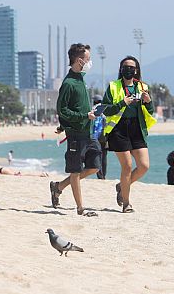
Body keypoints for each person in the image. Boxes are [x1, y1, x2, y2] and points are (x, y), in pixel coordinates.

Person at [49, 43, 101, 217]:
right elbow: (62, 109)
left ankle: (58, 187)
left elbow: (77, 107)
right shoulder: (69, 83)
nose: (89, 62)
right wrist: (82, 117)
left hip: (89, 132)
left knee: (94, 166)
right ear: (79, 60)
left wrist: (91, 114)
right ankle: (81, 209)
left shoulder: (81, 79)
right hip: (76, 134)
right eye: (88, 59)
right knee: (75, 171)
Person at [102, 56, 156, 213]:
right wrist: (122, 103)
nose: (129, 70)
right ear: (121, 69)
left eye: (132, 67)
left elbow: (150, 111)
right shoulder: (113, 87)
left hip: (136, 128)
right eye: (126, 67)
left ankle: (122, 186)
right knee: (127, 166)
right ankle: (126, 203)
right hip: (118, 129)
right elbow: (106, 109)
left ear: (137, 70)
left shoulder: (143, 87)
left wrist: (148, 101)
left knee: (144, 166)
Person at [93, 96, 109, 180]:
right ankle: (104, 175)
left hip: (96, 136)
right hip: (105, 135)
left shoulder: (93, 109)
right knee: (104, 156)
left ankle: (100, 175)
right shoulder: (105, 109)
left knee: (97, 155)